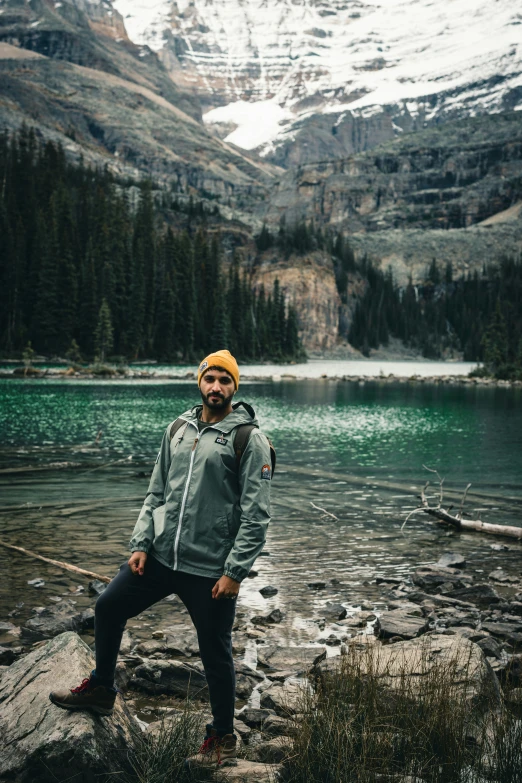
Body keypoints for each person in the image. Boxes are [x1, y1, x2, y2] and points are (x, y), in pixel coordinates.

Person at [49, 349, 272, 768]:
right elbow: (157, 493)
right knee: (108, 606)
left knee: (215, 653)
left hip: (209, 571)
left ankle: (223, 738)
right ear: (199, 382)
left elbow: (257, 516)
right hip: (160, 558)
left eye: (225, 380)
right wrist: (141, 543)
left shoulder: (249, 439)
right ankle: (101, 689)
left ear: (234, 386)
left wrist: (235, 572)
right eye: (211, 379)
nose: (216, 387)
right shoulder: (178, 428)